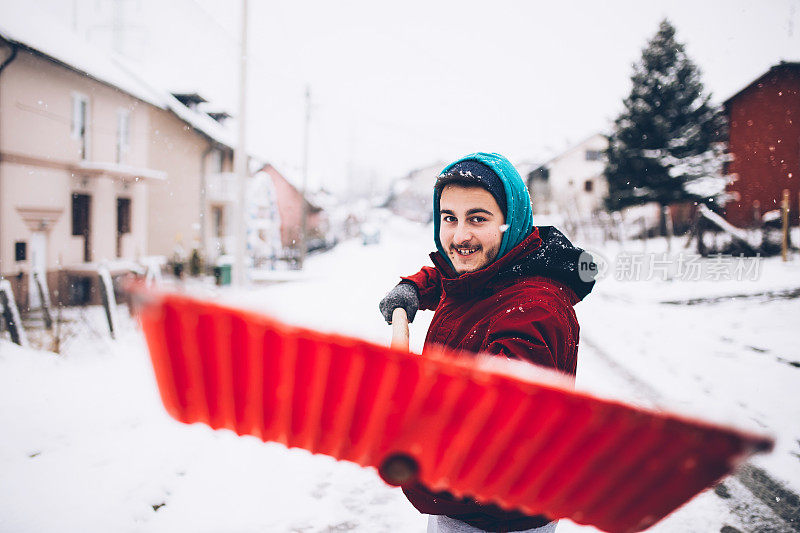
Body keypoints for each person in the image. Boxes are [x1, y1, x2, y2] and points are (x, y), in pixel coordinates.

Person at [379, 152, 596, 533]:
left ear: (510, 223)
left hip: (495, 518)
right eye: (449, 218)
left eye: (477, 219)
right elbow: (454, 275)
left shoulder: (533, 313)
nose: (460, 235)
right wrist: (416, 286)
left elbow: (488, 442)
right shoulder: (502, 267)